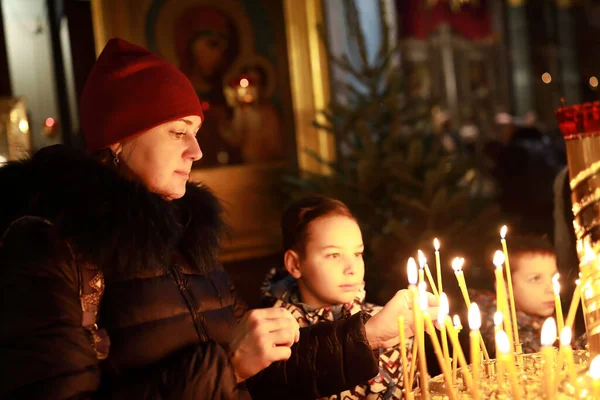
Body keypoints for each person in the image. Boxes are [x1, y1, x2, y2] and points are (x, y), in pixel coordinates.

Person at [0, 38, 434, 399]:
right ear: (119, 138)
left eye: (196, 132)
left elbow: (263, 367)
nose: (197, 151)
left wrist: (370, 335)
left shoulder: (187, 237)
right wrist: (229, 367)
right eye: (177, 132)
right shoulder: (51, 247)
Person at [261, 196, 414, 399]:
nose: (352, 269)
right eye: (334, 255)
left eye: (358, 254)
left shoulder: (386, 322)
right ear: (295, 264)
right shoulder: (275, 340)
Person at [470, 236, 584, 355]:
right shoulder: (504, 332)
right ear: (505, 288)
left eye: (553, 277)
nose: (551, 289)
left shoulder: (550, 320)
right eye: (535, 279)